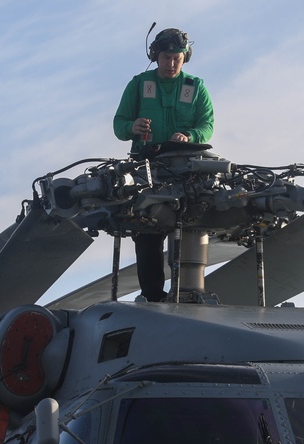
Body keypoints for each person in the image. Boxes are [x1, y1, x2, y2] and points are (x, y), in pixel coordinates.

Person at [113, 27, 215, 302]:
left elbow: (207, 125)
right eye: (167, 57)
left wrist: (190, 136)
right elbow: (119, 124)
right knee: (146, 231)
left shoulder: (196, 87)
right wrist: (132, 126)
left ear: (185, 58)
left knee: (189, 225)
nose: (172, 64)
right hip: (147, 169)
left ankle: (187, 294)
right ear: (156, 56)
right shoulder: (138, 84)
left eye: (177, 58)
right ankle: (153, 297)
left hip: (186, 170)